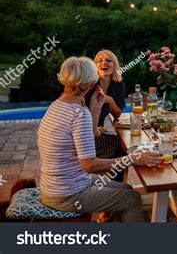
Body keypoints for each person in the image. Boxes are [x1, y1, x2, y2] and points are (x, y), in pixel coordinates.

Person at [38, 56, 163, 222]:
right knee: (131, 198)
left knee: (126, 188)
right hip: (67, 194)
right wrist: (134, 158)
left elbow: (87, 138)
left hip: (58, 185)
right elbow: (89, 165)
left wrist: (95, 109)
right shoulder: (78, 114)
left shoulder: (58, 105)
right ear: (90, 84)